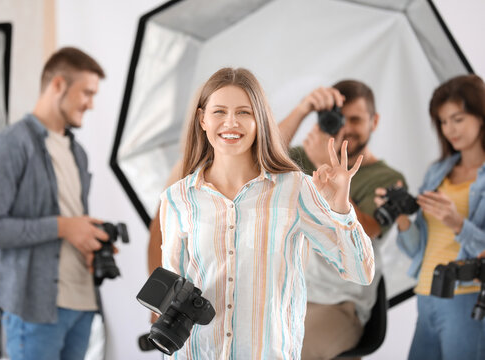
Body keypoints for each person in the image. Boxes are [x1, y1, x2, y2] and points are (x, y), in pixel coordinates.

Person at [159, 67, 374, 359]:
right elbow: (172, 299)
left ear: (260, 120)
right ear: (202, 120)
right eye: (219, 111)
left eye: (244, 112)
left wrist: (340, 207)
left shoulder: (296, 188)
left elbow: (360, 271)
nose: (231, 122)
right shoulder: (177, 198)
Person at [0, 47, 108, 360]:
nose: (91, 103)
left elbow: (72, 220)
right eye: (86, 92)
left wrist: (89, 237)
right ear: (58, 84)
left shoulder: (78, 152)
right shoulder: (10, 145)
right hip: (35, 310)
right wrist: (63, 227)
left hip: (83, 305)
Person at [279, 80, 406, 359]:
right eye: (338, 119)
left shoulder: (387, 179)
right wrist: (302, 109)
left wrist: (330, 168)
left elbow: (368, 230)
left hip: (340, 303)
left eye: (356, 119)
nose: (346, 128)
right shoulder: (306, 157)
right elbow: (258, 158)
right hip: (290, 295)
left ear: (375, 121)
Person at [375, 74, 485, 360]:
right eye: (443, 121)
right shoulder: (437, 172)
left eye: (457, 119)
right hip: (426, 293)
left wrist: (457, 223)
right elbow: (415, 248)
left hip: (466, 296)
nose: (449, 129)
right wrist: (401, 219)